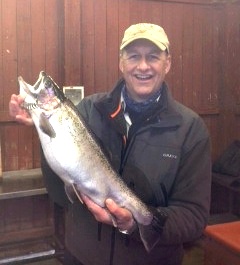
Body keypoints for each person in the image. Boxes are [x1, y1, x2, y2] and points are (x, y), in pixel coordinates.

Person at [9, 23, 211, 265]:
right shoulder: (87, 111)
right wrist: (41, 128)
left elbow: (194, 217)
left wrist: (136, 224)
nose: (143, 66)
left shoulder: (190, 129)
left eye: (153, 57)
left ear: (167, 64)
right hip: (81, 258)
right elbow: (61, 194)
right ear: (121, 63)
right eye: (134, 56)